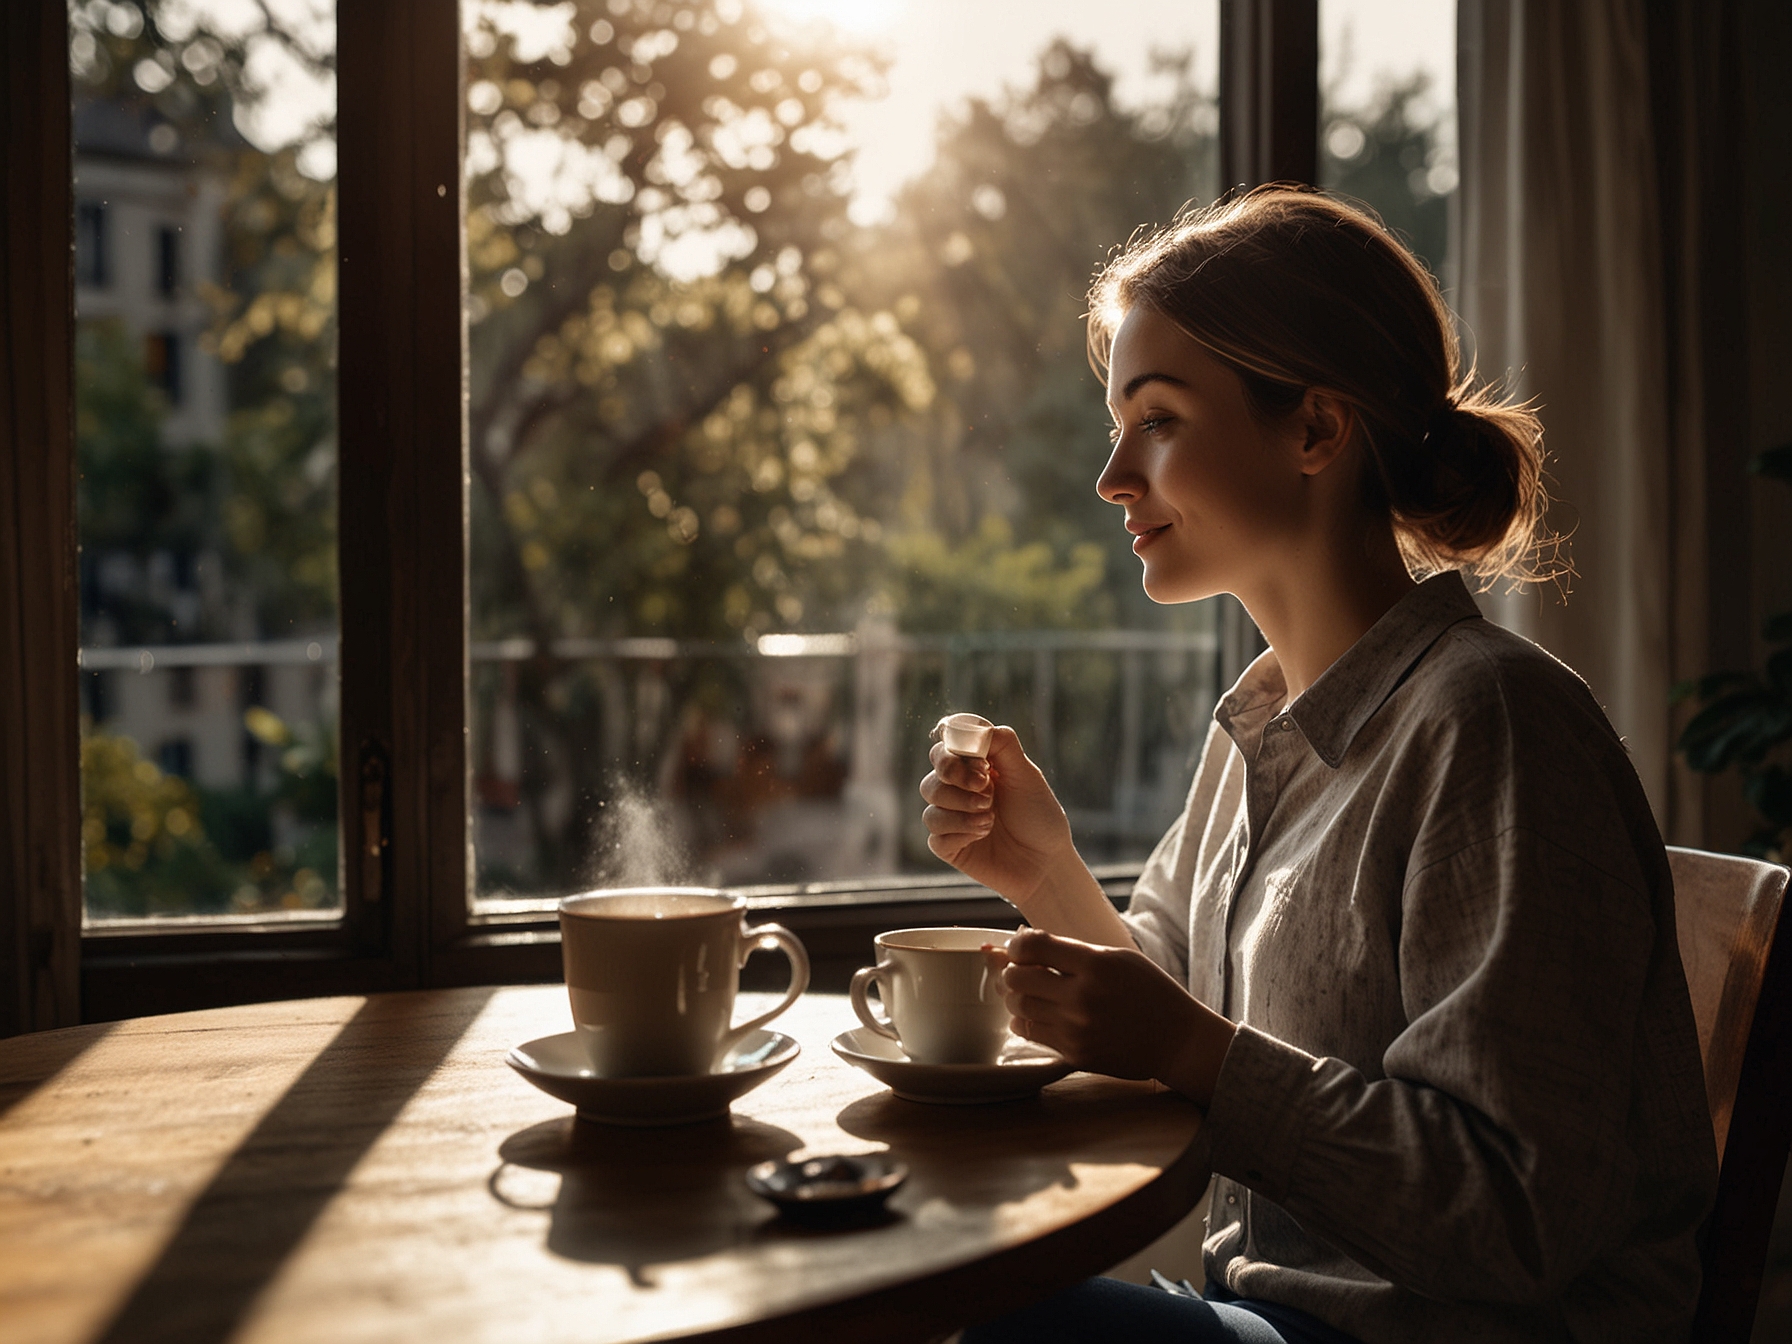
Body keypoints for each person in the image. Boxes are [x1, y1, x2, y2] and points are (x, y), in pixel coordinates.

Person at [918, 187, 1717, 1344]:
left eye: (1159, 420)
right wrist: (1043, 872)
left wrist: (1194, 1051)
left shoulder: (1489, 725)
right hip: (1265, 1316)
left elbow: (1517, 1219)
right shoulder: (1255, 724)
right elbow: (1175, 1019)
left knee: (948, 1314)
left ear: (1313, 431)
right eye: (1114, 424)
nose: (1112, 479)